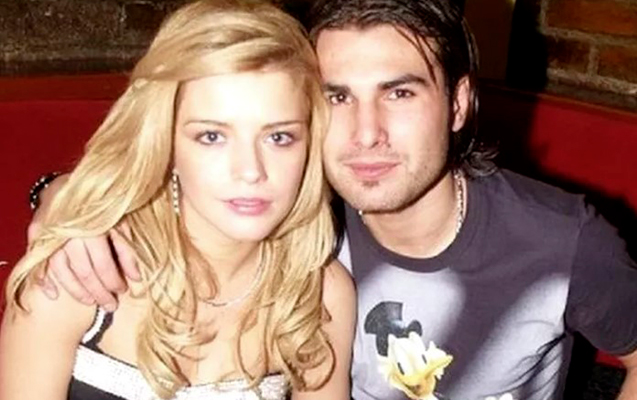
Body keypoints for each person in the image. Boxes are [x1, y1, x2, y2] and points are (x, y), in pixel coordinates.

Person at [20, 0, 637, 399]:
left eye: (399, 93)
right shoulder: (294, 207)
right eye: (338, 97)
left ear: (457, 103)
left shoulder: (561, 242)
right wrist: (64, 199)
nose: (366, 134)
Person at [0, 1, 356, 399]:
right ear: (165, 143)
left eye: (279, 137)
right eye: (212, 136)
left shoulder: (318, 295)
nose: (250, 171)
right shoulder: (79, 273)